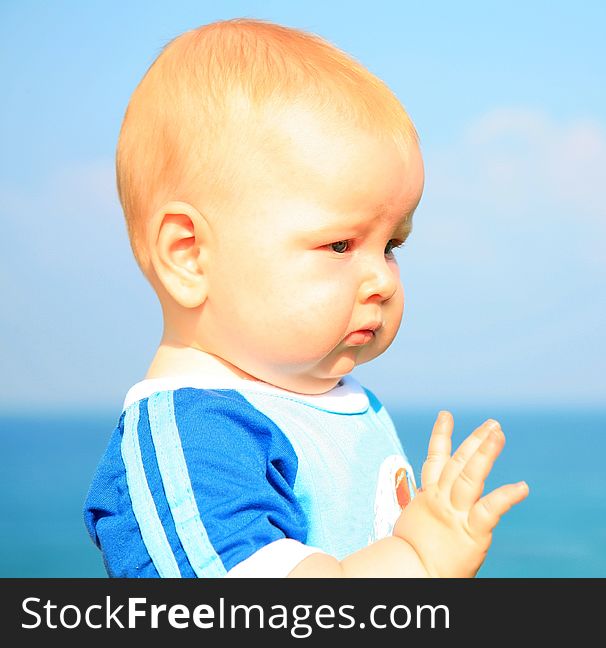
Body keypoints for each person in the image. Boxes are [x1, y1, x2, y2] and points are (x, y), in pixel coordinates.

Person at [83, 18, 528, 578]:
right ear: (189, 254)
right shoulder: (197, 440)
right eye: (340, 244)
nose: (383, 280)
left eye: (391, 245)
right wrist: (419, 558)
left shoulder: (327, 401)